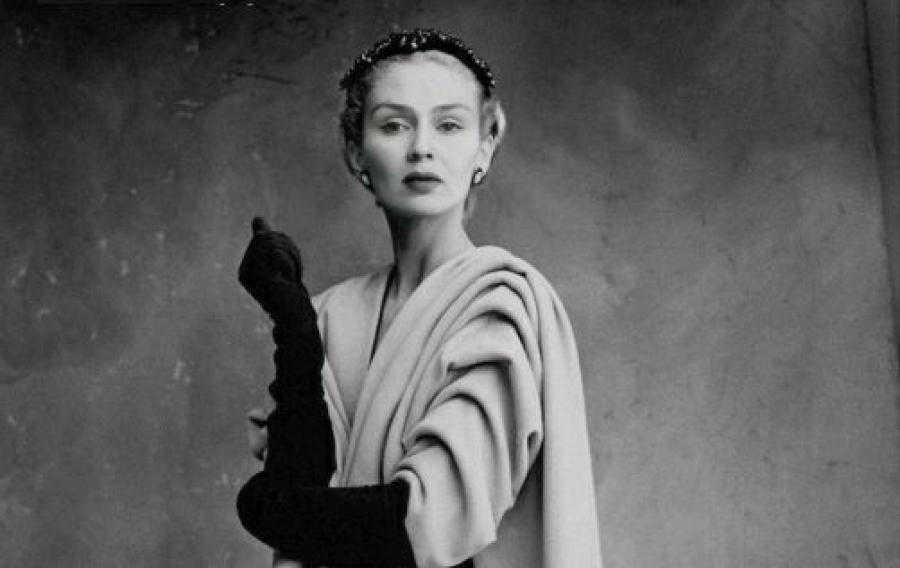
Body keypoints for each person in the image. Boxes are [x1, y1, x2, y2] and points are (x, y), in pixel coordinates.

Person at [236, 29, 602, 568]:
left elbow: (417, 526)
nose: (421, 148)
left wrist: (259, 504)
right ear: (356, 151)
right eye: (394, 125)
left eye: (449, 125)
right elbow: (302, 497)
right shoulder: (329, 316)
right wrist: (293, 323)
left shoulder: (501, 303)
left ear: (484, 147)